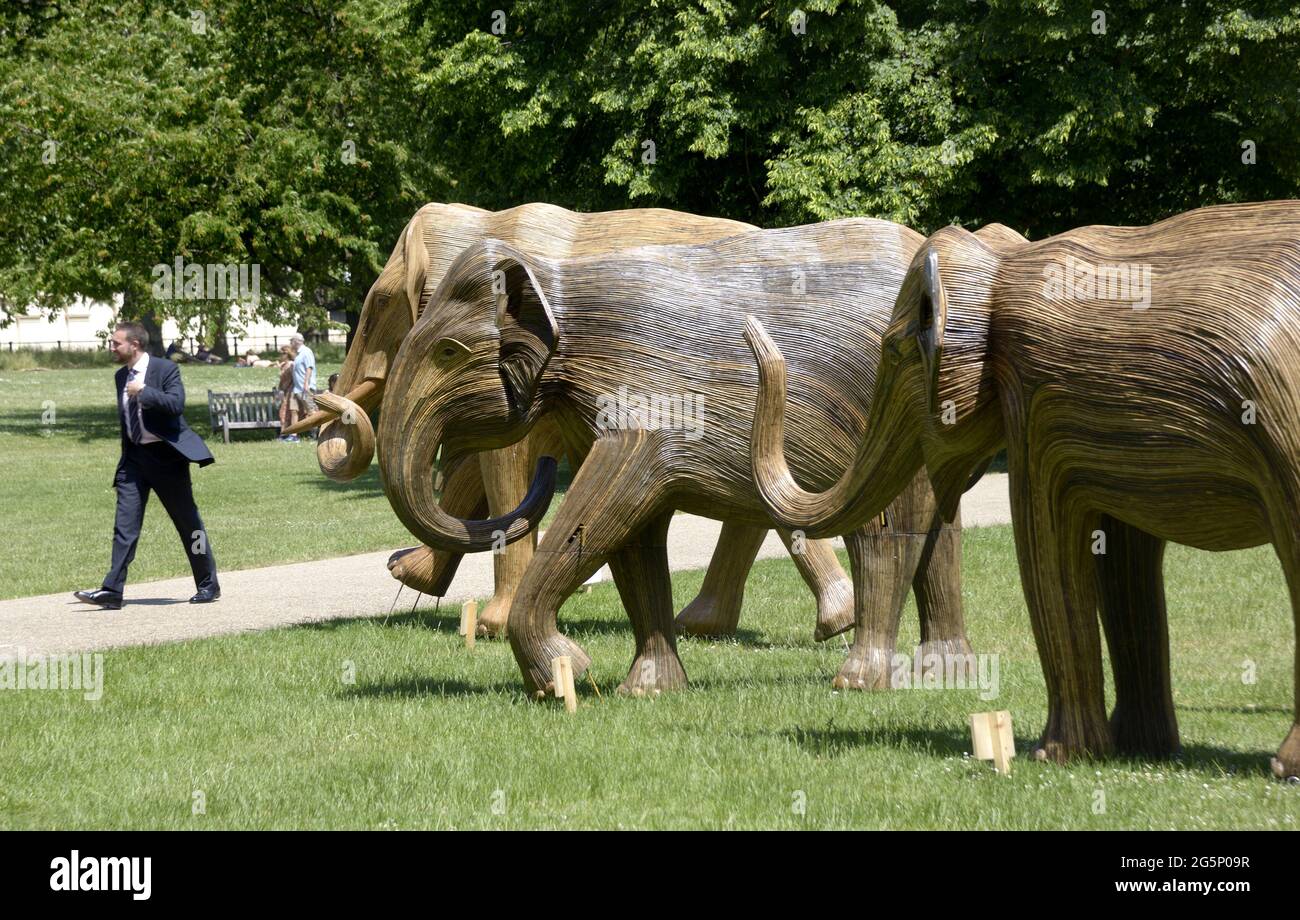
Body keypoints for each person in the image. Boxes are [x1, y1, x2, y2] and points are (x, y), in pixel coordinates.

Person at [73, 322, 221, 610]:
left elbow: (176, 405)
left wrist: (144, 392)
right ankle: (112, 590)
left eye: (116, 343)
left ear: (135, 345)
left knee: (188, 523)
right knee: (124, 526)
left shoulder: (164, 370)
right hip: (134, 461)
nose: (112, 347)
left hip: (166, 459)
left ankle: (208, 584)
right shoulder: (120, 376)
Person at [288, 333, 317, 438]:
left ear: (296, 341)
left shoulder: (306, 352)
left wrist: (306, 384)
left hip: (305, 388)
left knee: (311, 411)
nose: (290, 343)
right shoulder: (298, 354)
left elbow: (309, 368)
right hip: (296, 388)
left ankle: (315, 434)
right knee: (293, 410)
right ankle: (293, 435)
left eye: (291, 341)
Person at [276, 344, 298, 441]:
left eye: (281, 353)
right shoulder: (284, 364)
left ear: (286, 354)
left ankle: (287, 434)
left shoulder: (290, 364)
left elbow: (287, 379)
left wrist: (282, 389)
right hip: (285, 391)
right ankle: (284, 433)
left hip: (290, 391)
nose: (280, 356)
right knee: (284, 412)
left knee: (285, 412)